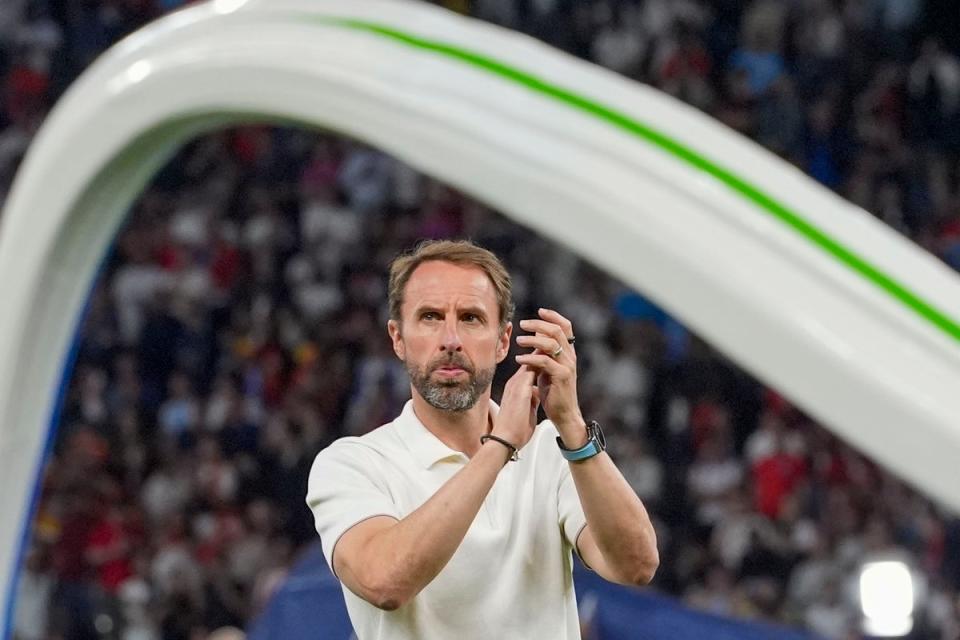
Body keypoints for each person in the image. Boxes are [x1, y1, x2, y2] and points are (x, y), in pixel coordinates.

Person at [306, 239, 658, 639]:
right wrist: (501, 446)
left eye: (471, 318)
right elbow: (385, 582)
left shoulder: (555, 451)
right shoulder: (353, 463)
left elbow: (636, 565)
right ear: (398, 338)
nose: (451, 339)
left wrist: (572, 426)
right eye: (430, 317)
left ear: (503, 341)